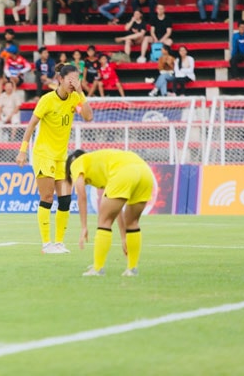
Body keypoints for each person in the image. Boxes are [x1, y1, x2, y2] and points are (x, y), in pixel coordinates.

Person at [16, 64, 94, 253]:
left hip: (61, 157)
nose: (73, 83)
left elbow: (88, 117)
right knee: (48, 197)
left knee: (66, 199)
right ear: (61, 79)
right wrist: (23, 150)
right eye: (71, 79)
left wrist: (82, 93)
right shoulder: (47, 100)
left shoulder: (75, 98)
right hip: (43, 154)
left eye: (77, 79)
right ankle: (46, 244)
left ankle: (59, 243)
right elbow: (31, 125)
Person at [67, 148, 152, 277]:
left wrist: (84, 227)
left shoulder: (76, 163)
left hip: (124, 172)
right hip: (144, 171)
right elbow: (116, 209)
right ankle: (132, 268)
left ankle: (98, 268)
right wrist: (124, 237)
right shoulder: (100, 164)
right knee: (132, 222)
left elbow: (81, 195)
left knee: (104, 221)